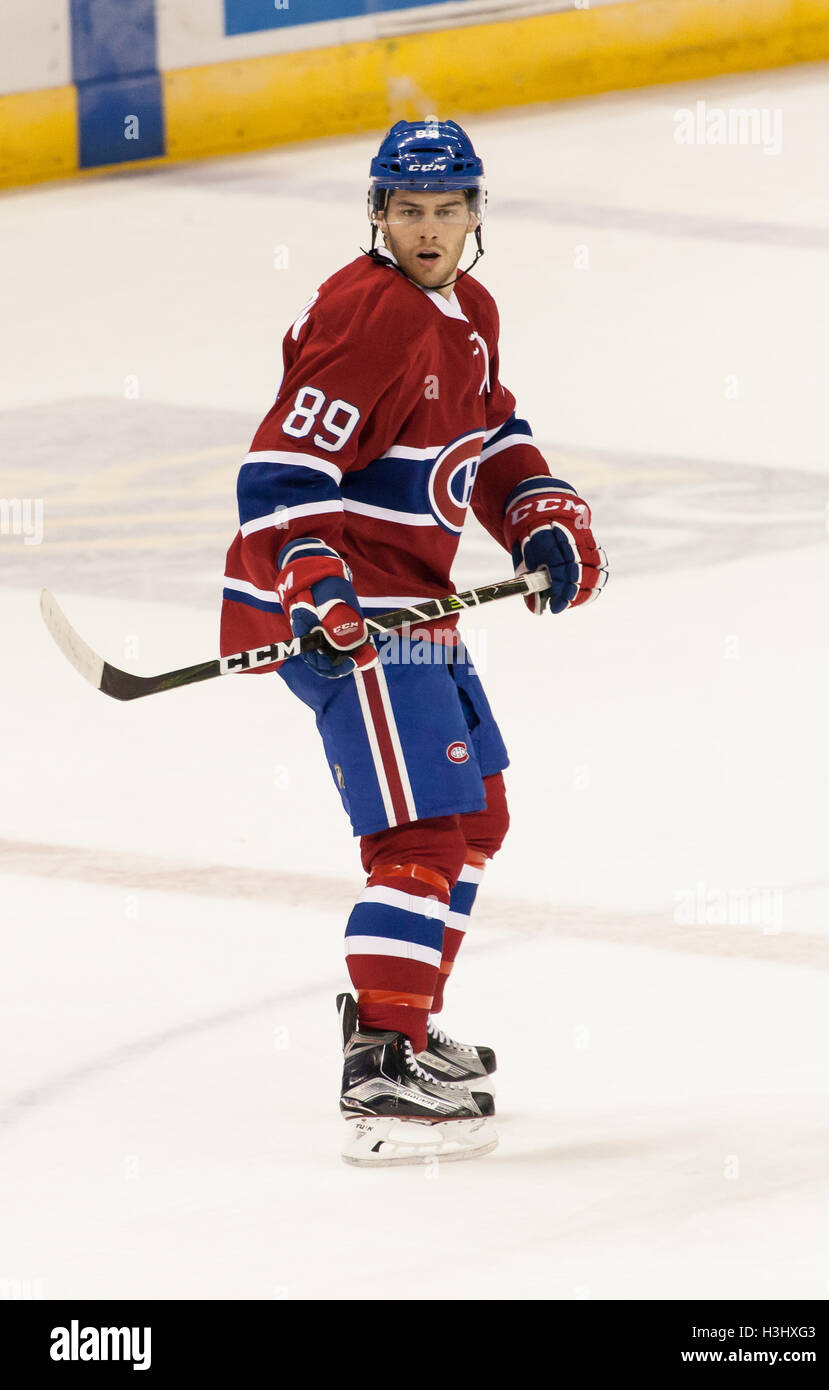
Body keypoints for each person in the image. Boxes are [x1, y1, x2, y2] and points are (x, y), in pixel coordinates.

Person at [220, 118, 607, 1166]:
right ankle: (380, 1064)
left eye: (445, 210)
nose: (427, 230)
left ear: (475, 215)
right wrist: (314, 583)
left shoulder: (465, 309)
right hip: (346, 614)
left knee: (476, 812)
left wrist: (539, 512)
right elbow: (278, 474)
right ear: (377, 212)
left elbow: (492, 434)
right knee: (421, 835)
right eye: (407, 209)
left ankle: (406, 1019)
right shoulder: (367, 316)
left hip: (407, 606)